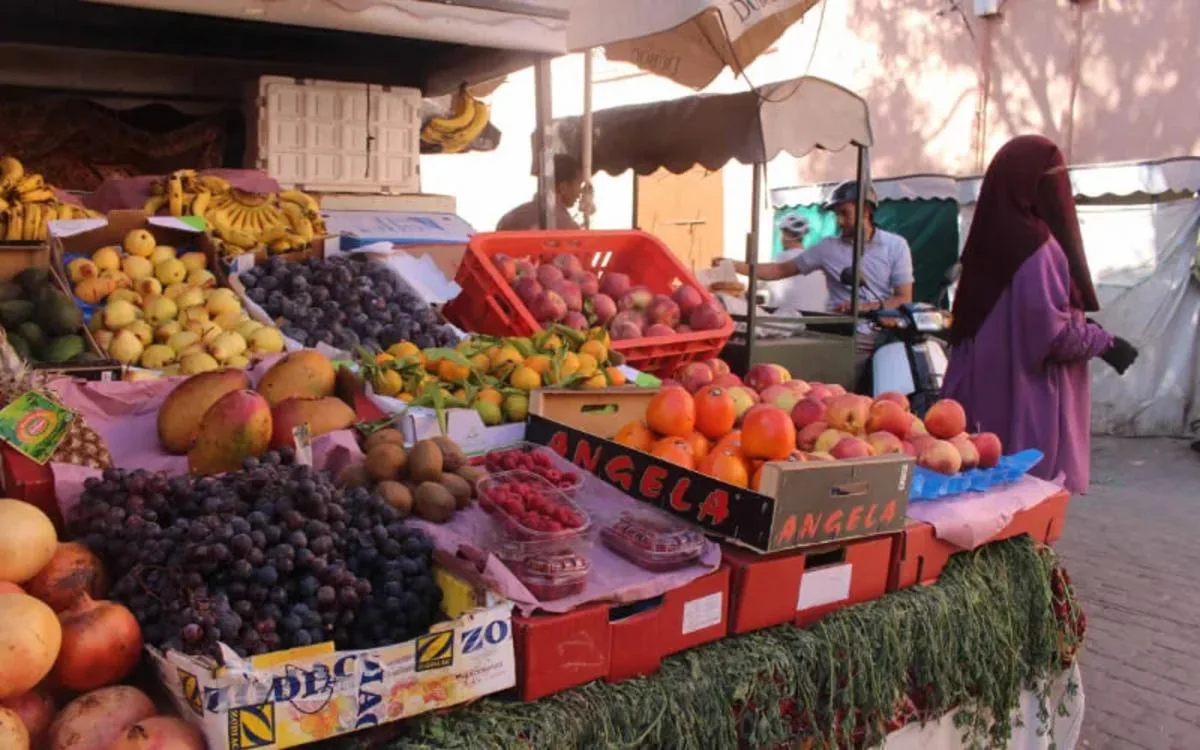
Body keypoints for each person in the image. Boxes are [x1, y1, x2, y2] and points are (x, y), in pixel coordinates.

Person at [942, 134, 1138, 493]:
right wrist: (1106, 343)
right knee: (1026, 500)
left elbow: (1020, 314)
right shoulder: (1035, 246)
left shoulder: (985, 239)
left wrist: (1084, 324)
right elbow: (1052, 337)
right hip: (1026, 402)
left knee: (981, 495)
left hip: (981, 396)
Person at [720, 181, 914, 379]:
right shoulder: (827, 248)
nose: (839, 221)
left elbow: (904, 298)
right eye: (836, 215)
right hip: (842, 333)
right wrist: (733, 265)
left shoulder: (896, 246)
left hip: (883, 332)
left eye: (844, 213)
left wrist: (864, 307)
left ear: (865, 211)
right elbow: (778, 270)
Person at [496, 154, 584, 231]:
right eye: (579, 184)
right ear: (563, 187)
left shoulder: (507, 219)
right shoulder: (566, 226)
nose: (580, 191)